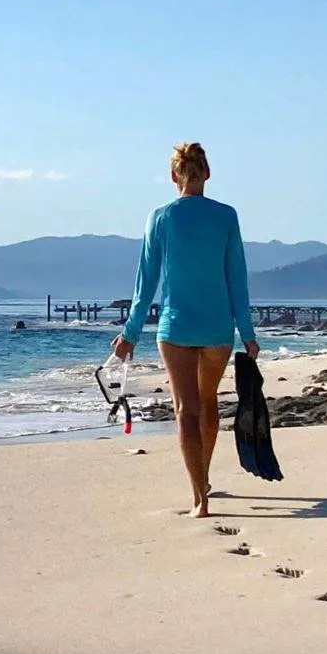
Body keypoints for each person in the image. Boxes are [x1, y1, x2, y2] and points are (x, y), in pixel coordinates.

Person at [110, 142, 259, 517]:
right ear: (206, 173)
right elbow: (236, 277)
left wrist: (130, 334)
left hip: (176, 327)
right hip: (217, 328)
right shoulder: (226, 216)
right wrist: (248, 332)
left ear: (174, 176)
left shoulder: (159, 217)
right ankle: (203, 478)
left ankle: (200, 499)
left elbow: (146, 284)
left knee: (185, 410)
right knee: (208, 403)